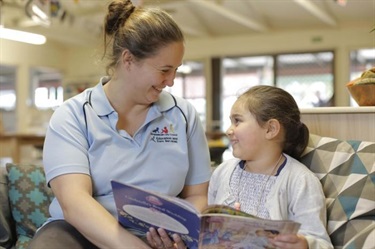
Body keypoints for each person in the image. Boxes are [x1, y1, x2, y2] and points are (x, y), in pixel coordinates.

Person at [28, 0, 211, 248]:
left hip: (159, 234)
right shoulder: (73, 115)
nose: (171, 81)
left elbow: (198, 195)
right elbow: (74, 202)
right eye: (165, 70)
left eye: (176, 70)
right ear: (128, 60)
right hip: (81, 232)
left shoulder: (184, 115)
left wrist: (179, 233)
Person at [208, 85, 333, 249]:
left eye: (237, 121)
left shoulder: (300, 180)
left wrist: (305, 244)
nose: (229, 130)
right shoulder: (222, 173)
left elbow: (322, 243)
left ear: (270, 129)